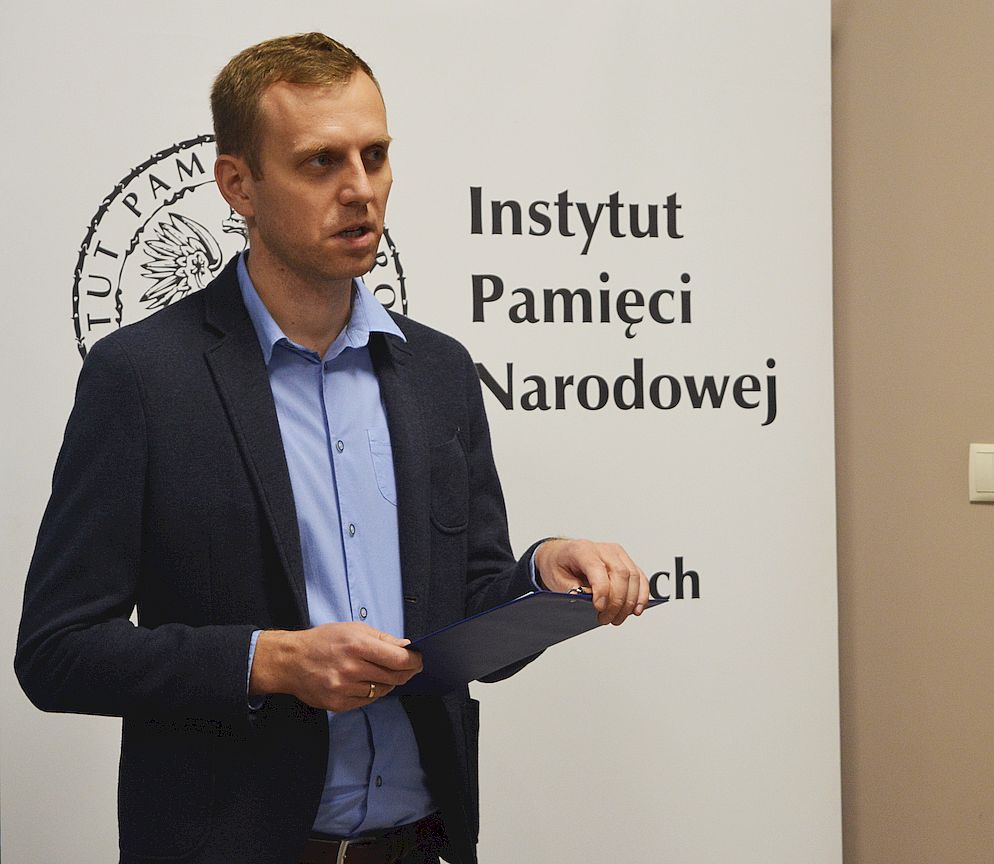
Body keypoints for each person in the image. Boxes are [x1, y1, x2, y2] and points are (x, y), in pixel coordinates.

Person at [15, 32, 648, 864]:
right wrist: (268, 662)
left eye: (374, 156)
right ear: (238, 184)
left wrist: (538, 576)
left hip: (421, 846)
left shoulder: (440, 372)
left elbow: (463, 616)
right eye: (321, 162)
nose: (360, 190)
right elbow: (57, 653)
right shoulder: (141, 377)